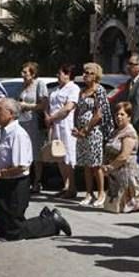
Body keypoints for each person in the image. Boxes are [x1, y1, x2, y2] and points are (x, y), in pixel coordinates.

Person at [0, 98, 72, 241]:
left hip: (16, 184)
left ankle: (51, 221)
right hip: (3, 183)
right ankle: (43, 220)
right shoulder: (5, 131)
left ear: (11, 113)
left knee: (13, 232)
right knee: (2, 230)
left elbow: (21, 166)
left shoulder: (18, 134)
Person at [74, 63, 114, 208]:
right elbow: (78, 111)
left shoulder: (99, 91)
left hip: (94, 131)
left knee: (96, 164)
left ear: (96, 75)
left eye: (89, 73)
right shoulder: (82, 91)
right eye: (85, 72)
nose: (86, 75)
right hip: (82, 132)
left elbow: (99, 113)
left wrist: (87, 128)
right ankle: (88, 193)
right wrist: (78, 129)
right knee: (86, 163)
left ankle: (101, 193)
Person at [103, 102, 139, 213]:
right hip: (115, 176)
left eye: (122, 114)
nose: (118, 117)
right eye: (117, 114)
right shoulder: (116, 131)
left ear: (129, 117)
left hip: (127, 174)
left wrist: (110, 167)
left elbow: (124, 156)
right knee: (111, 207)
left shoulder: (129, 132)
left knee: (125, 207)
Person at [46, 64, 80, 199]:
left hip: (66, 125)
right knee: (59, 156)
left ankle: (72, 187)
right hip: (55, 125)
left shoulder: (73, 88)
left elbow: (68, 107)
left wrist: (53, 117)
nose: (57, 76)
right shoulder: (56, 89)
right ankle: (65, 185)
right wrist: (48, 118)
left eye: (60, 73)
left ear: (67, 74)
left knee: (68, 156)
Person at [18, 62, 49, 193]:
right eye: (22, 72)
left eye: (26, 72)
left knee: (36, 153)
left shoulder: (39, 84)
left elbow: (43, 105)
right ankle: (26, 180)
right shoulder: (23, 86)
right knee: (24, 152)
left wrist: (27, 106)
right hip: (23, 121)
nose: (23, 74)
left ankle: (37, 182)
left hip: (34, 121)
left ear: (33, 74)